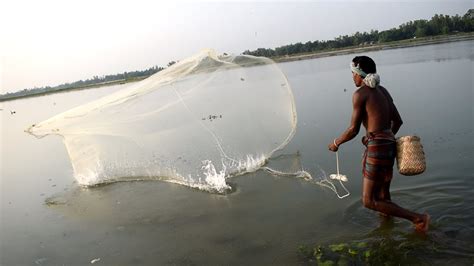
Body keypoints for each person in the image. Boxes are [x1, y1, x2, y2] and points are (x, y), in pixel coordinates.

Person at [328, 56, 430, 232]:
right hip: (388, 144)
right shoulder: (383, 91)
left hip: (377, 148)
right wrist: (384, 139)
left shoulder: (360, 95)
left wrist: (336, 143)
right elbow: (397, 121)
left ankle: (419, 219)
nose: (352, 78)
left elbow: (353, 130)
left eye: (353, 74)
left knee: (369, 201)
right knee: (383, 195)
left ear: (360, 74)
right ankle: (386, 227)